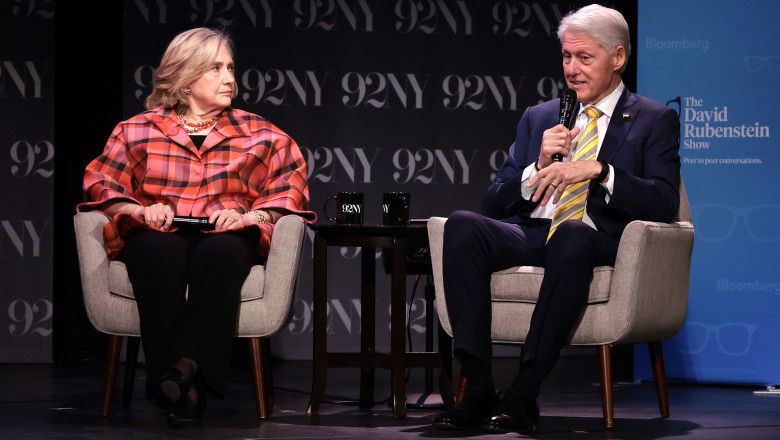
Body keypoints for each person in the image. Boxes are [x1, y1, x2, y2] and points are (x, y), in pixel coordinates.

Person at [432, 4, 680, 434]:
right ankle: (478, 389)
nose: (572, 69)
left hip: (597, 238)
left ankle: (525, 391)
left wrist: (600, 171)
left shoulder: (654, 119)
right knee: (464, 224)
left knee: (571, 235)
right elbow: (495, 203)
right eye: (566, 57)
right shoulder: (542, 116)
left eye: (585, 58)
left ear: (618, 58)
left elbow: (663, 201)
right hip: (535, 233)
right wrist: (536, 167)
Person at [77, 28, 316, 427]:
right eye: (216, 69)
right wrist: (137, 209)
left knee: (219, 255)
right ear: (186, 81)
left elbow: (289, 190)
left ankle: (179, 376)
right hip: (160, 231)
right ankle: (185, 386)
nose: (230, 79)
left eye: (231, 68)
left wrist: (250, 217)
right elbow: (101, 185)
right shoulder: (136, 130)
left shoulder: (263, 134)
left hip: (227, 233)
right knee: (155, 253)